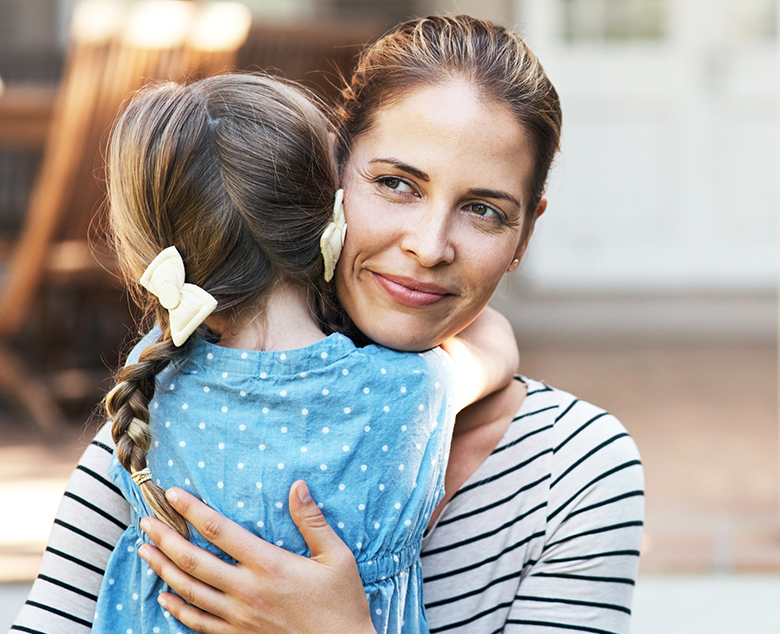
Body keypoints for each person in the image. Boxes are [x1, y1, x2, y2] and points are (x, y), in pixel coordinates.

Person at [9, 15, 644, 634]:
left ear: (524, 234)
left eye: (483, 210)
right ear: (327, 177)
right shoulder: (153, 418)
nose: (429, 246)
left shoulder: (576, 470)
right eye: (397, 184)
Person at [86, 72, 515, 634]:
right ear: (332, 212)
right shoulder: (407, 388)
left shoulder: (149, 383)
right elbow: (491, 347)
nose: (428, 248)